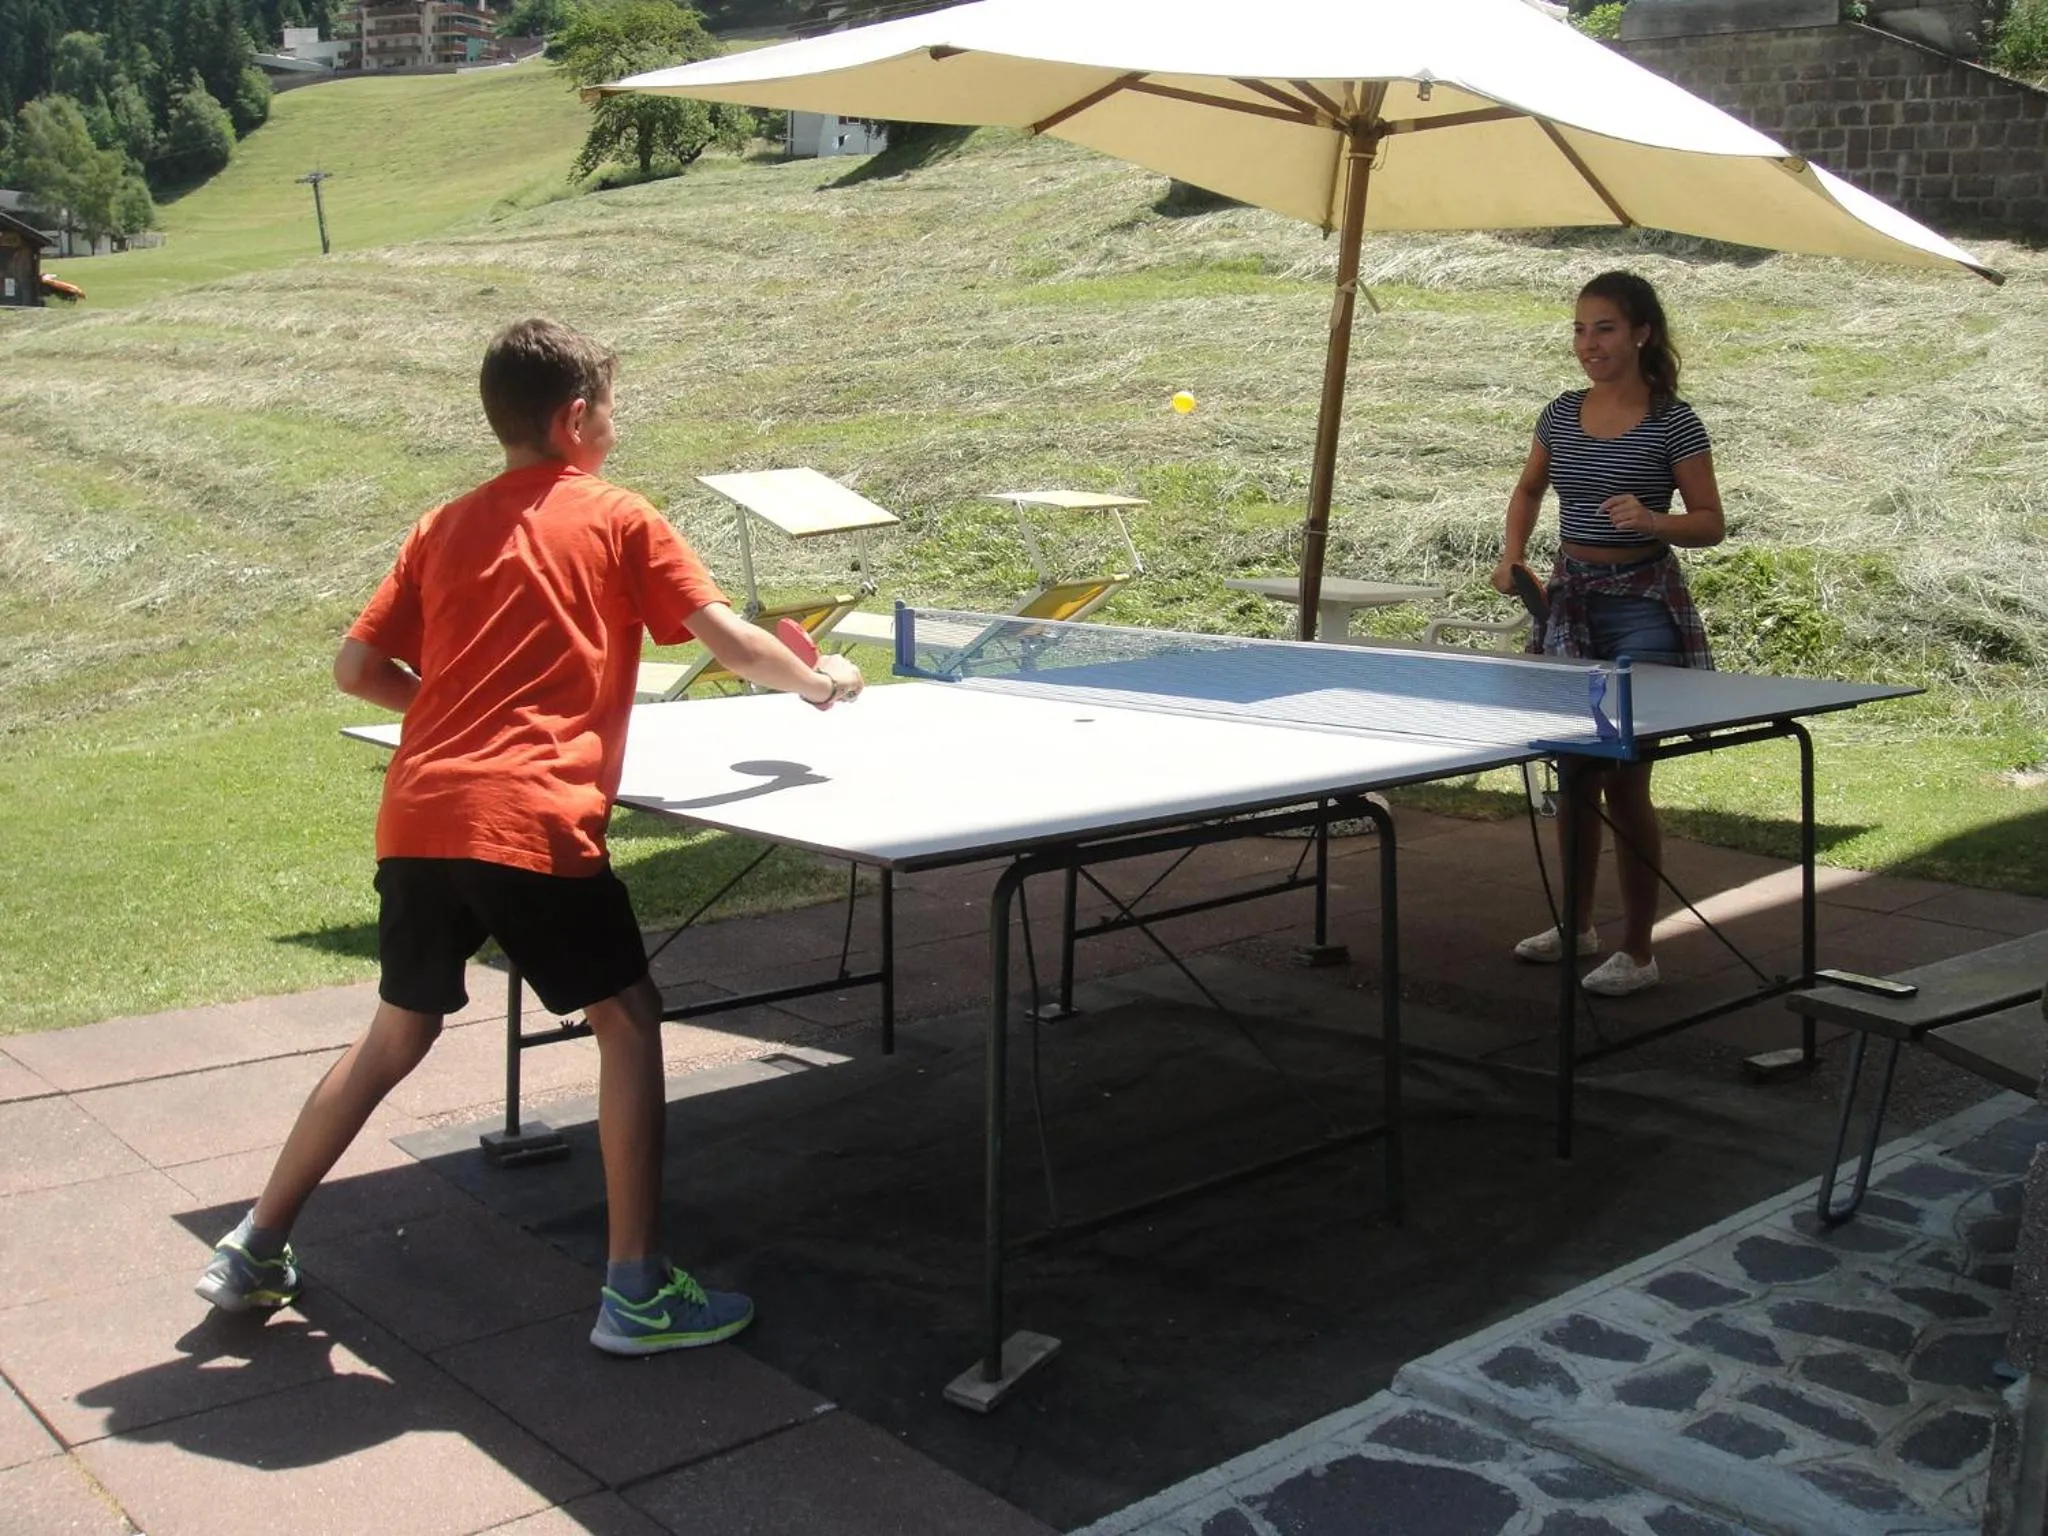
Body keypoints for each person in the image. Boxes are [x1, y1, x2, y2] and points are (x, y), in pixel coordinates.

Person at [195, 317, 865, 1355]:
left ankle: (255, 1241)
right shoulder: (616, 517)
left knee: (395, 1033)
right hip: (529, 815)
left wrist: (449, 707)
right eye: (611, 407)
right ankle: (636, 1291)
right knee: (628, 1020)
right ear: (574, 417)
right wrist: (822, 682)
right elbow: (728, 641)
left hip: (420, 814)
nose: (615, 425)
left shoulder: (440, 525)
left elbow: (356, 670)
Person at [1490, 270, 1725, 998]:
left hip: (1642, 607)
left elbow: (1711, 522)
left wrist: (1656, 521)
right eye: (1580, 329)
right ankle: (1576, 925)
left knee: (1626, 782)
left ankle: (1639, 949)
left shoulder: (1673, 422)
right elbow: (1529, 487)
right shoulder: (1560, 414)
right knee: (1575, 774)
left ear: (1642, 334)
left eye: (1605, 328)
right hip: (1571, 604)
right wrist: (1513, 553)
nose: (1588, 343)